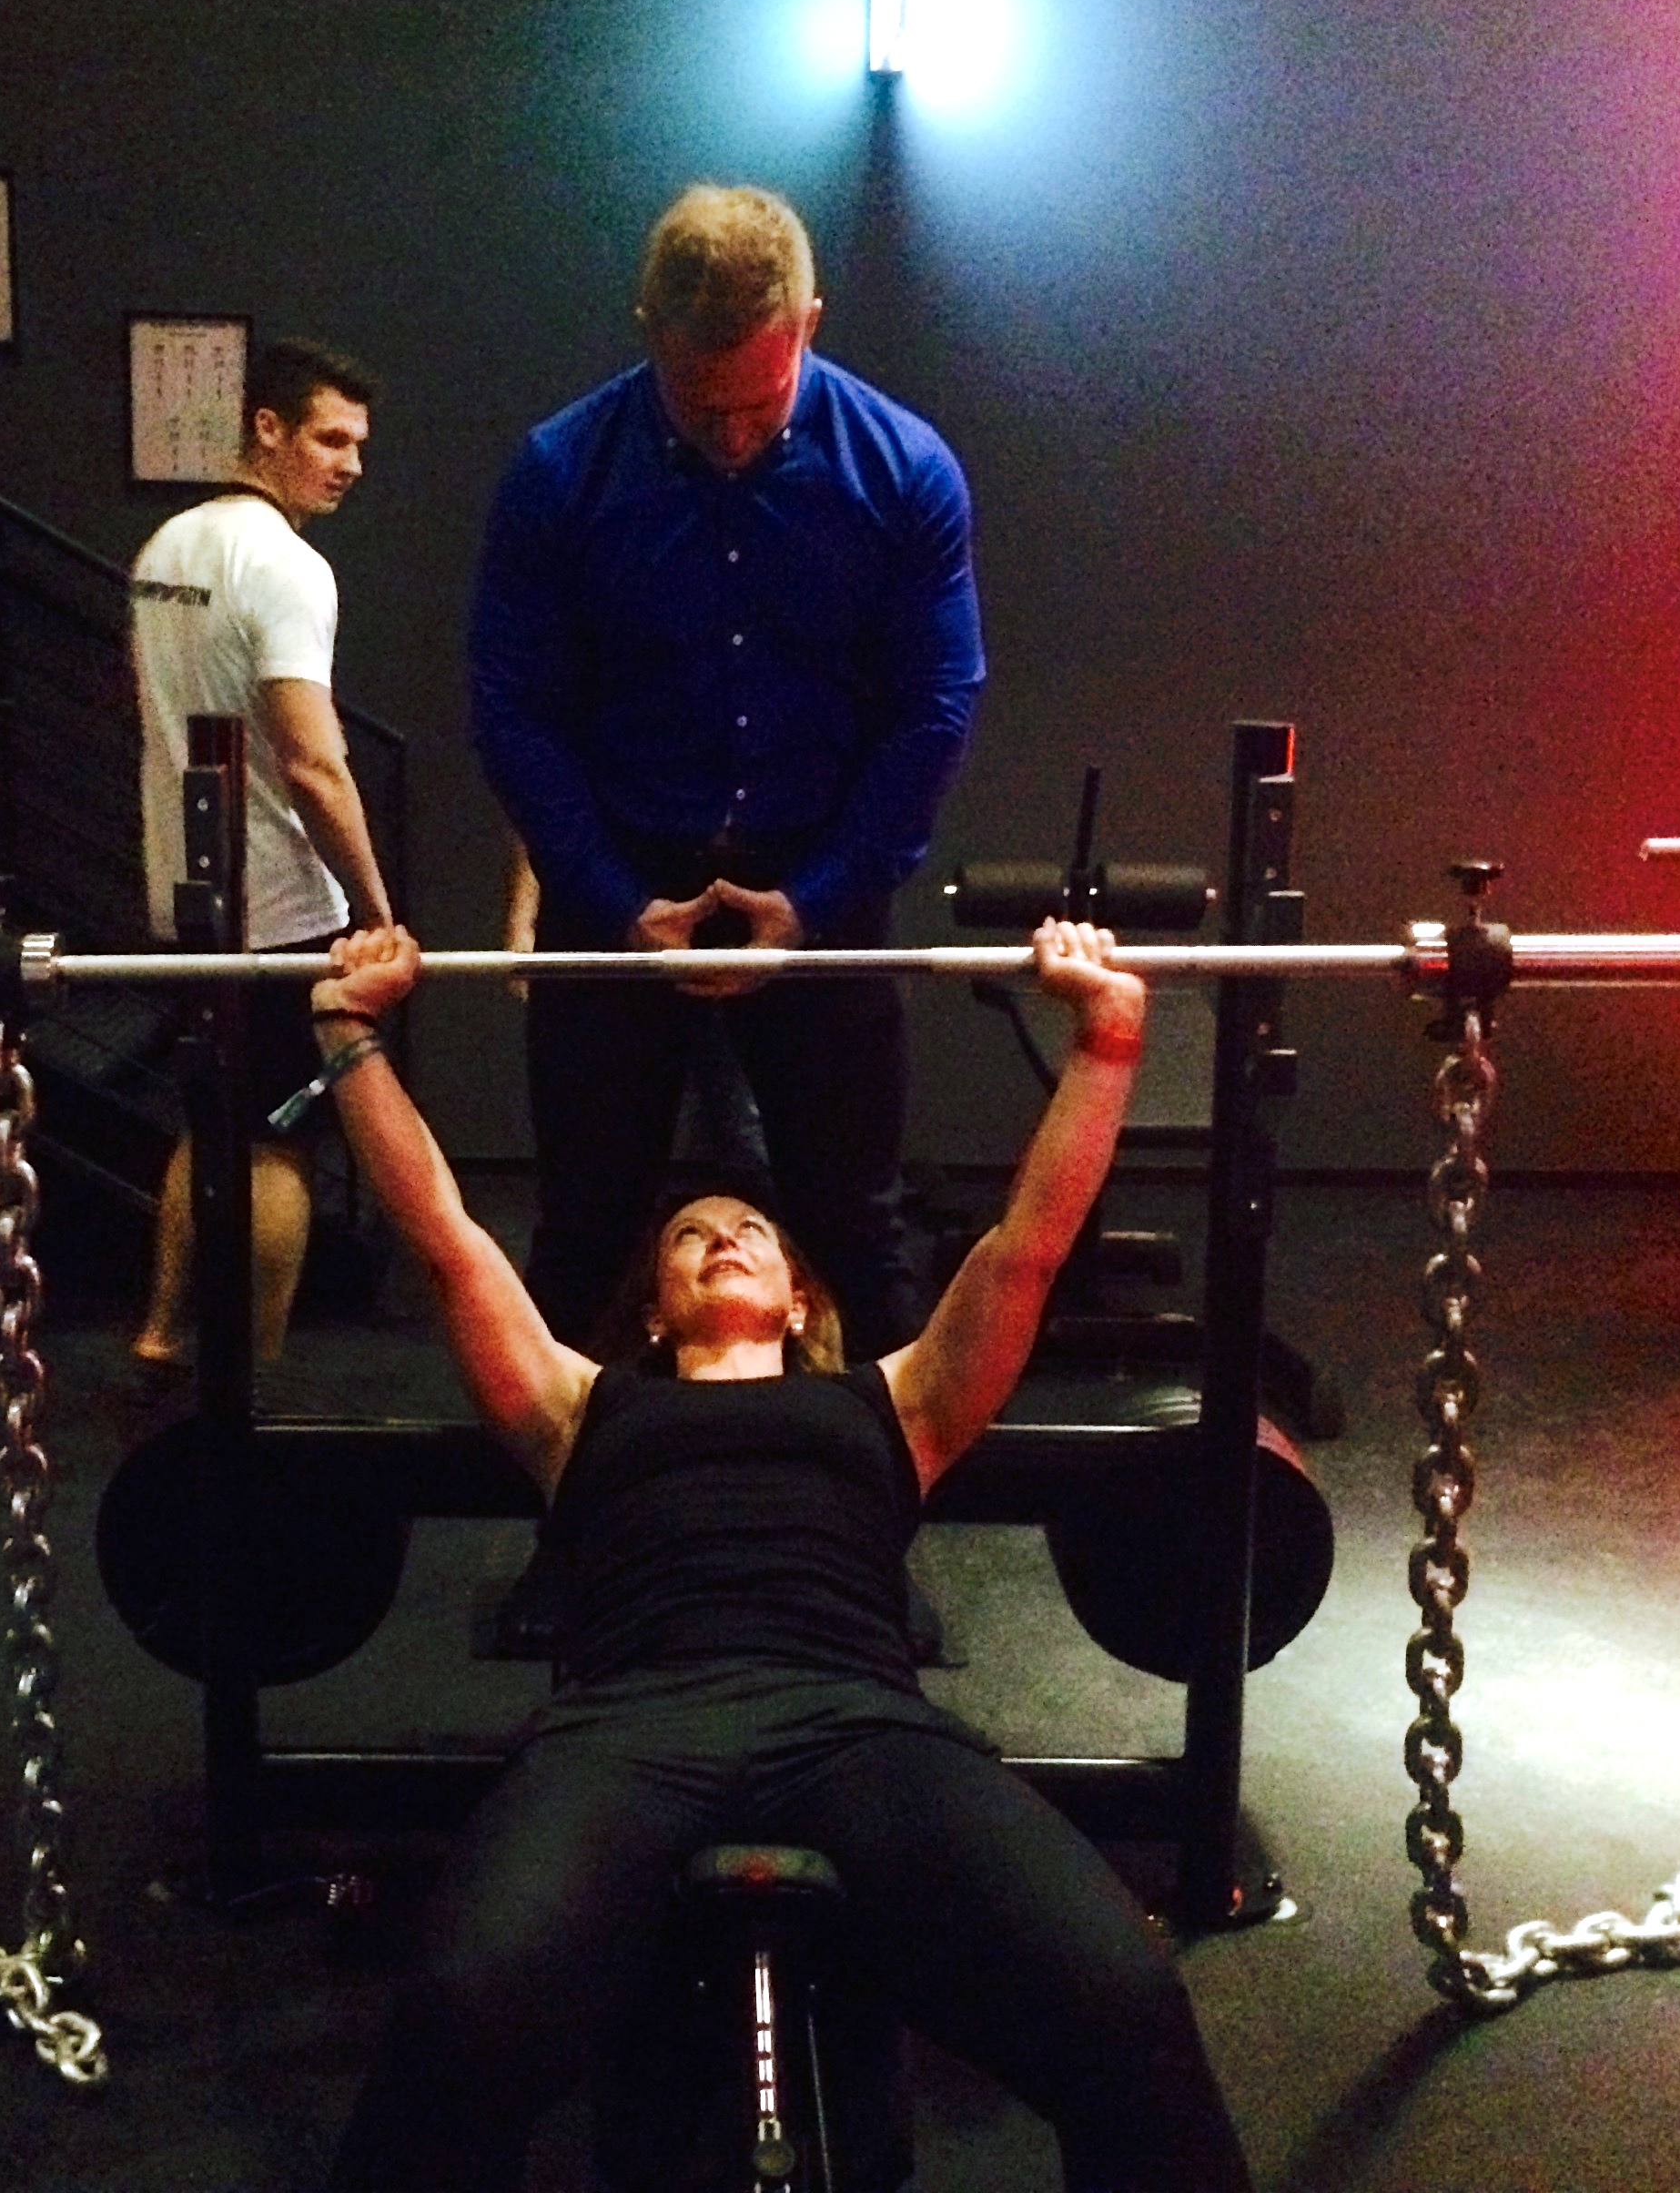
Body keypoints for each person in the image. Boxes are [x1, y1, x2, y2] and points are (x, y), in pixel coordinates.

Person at [307, 922, 1253, 2193]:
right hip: (627, 1729)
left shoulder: (900, 1400)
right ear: (655, 1310)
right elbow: (444, 1235)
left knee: (1127, 2000)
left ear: (802, 1296)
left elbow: (1027, 1247)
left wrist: (1109, 1041)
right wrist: (350, 1034)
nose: (721, 1238)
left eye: (751, 1229)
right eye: (689, 1235)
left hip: (857, 1723)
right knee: (460, 2009)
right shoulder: (579, 1406)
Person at [471, 181, 985, 1357]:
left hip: (822, 886)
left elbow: (935, 706)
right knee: (586, 1229)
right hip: (620, 886)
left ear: (810, 323)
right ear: (648, 333)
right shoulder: (559, 473)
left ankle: (876, 1481)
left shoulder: (903, 470)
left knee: (857, 1228)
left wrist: (818, 900)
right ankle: (578, 1479)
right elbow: (514, 710)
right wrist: (611, 900)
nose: (735, 434)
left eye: (760, 402)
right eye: (703, 407)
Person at [130, 338, 390, 1386]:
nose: (351, 464)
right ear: (267, 430)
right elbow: (315, 763)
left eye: (360, 445)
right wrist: (375, 908)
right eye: (330, 439)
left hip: (186, 897)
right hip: (280, 908)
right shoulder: (286, 565)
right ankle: (260, 1376)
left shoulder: (164, 549)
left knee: (211, 1119)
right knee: (282, 1140)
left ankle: (160, 1336)